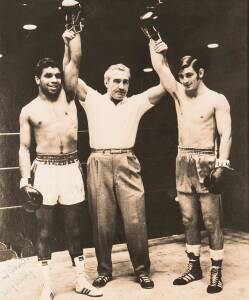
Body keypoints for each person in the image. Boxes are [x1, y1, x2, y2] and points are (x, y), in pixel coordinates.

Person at [62, 30, 166, 289]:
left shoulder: (137, 102)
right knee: (102, 221)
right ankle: (104, 270)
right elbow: (69, 75)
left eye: (126, 81)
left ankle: (142, 270)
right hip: (98, 162)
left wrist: (158, 51)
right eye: (116, 81)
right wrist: (71, 39)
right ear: (106, 81)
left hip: (127, 162)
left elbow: (166, 85)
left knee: (136, 220)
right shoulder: (92, 99)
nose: (121, 86)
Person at [18, 32, 103, 299]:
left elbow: (74, 58)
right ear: (37, 80)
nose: (54, 80)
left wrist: (71, 35)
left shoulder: (69, 96)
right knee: (43, 230)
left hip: (70, 168)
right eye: (48, 76)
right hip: (44, 170)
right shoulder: (29, 110)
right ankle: (47, 285)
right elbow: (23, 148)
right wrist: (25, 181)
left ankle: (80, 280)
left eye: (57, 75)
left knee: (75, 228)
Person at [149, 39, 232, 293]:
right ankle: (194, 266)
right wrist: (152, 38)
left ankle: (216, 270)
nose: (185, 80)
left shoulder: (217, 99)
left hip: (207, 160)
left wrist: (221, 165)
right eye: (182, 76)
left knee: (211, 220)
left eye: (189, 75)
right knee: (188, 218)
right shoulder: (178, 95)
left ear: (200, 73)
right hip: (183, 159)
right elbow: (159, 67)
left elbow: (225, 134)